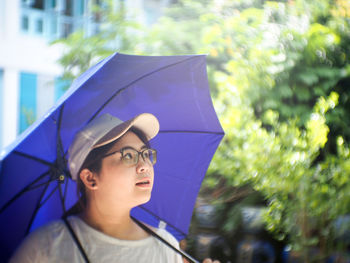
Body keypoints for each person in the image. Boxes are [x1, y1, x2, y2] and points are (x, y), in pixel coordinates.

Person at [9, 113, 219, 263]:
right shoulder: (47, 247)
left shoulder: (165, 246)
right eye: (128, 155)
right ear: (90, 178)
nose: (145, 165)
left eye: (146, 154)